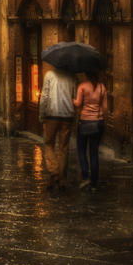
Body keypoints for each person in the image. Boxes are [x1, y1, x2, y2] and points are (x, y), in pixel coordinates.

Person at [39, 63, 77, 192]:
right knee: (63, 147)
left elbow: (44, 96)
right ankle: (61, 179)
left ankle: (54, 171)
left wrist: (41, 115)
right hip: (67, 115)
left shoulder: (49, 75)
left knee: (48, 143)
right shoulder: (72, 76)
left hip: (51, 115)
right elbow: (75, 97)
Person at [74, 71, 111, 191]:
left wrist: (72, 100)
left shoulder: (82, 86)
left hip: (85, 122)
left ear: (87, 74)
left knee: (81, 150)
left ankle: (86, 176)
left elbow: (78, 103)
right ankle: (94, 182)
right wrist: (103, 120)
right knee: (94, 152)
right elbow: (105, 108)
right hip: (98, 122)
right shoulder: (102, 87)